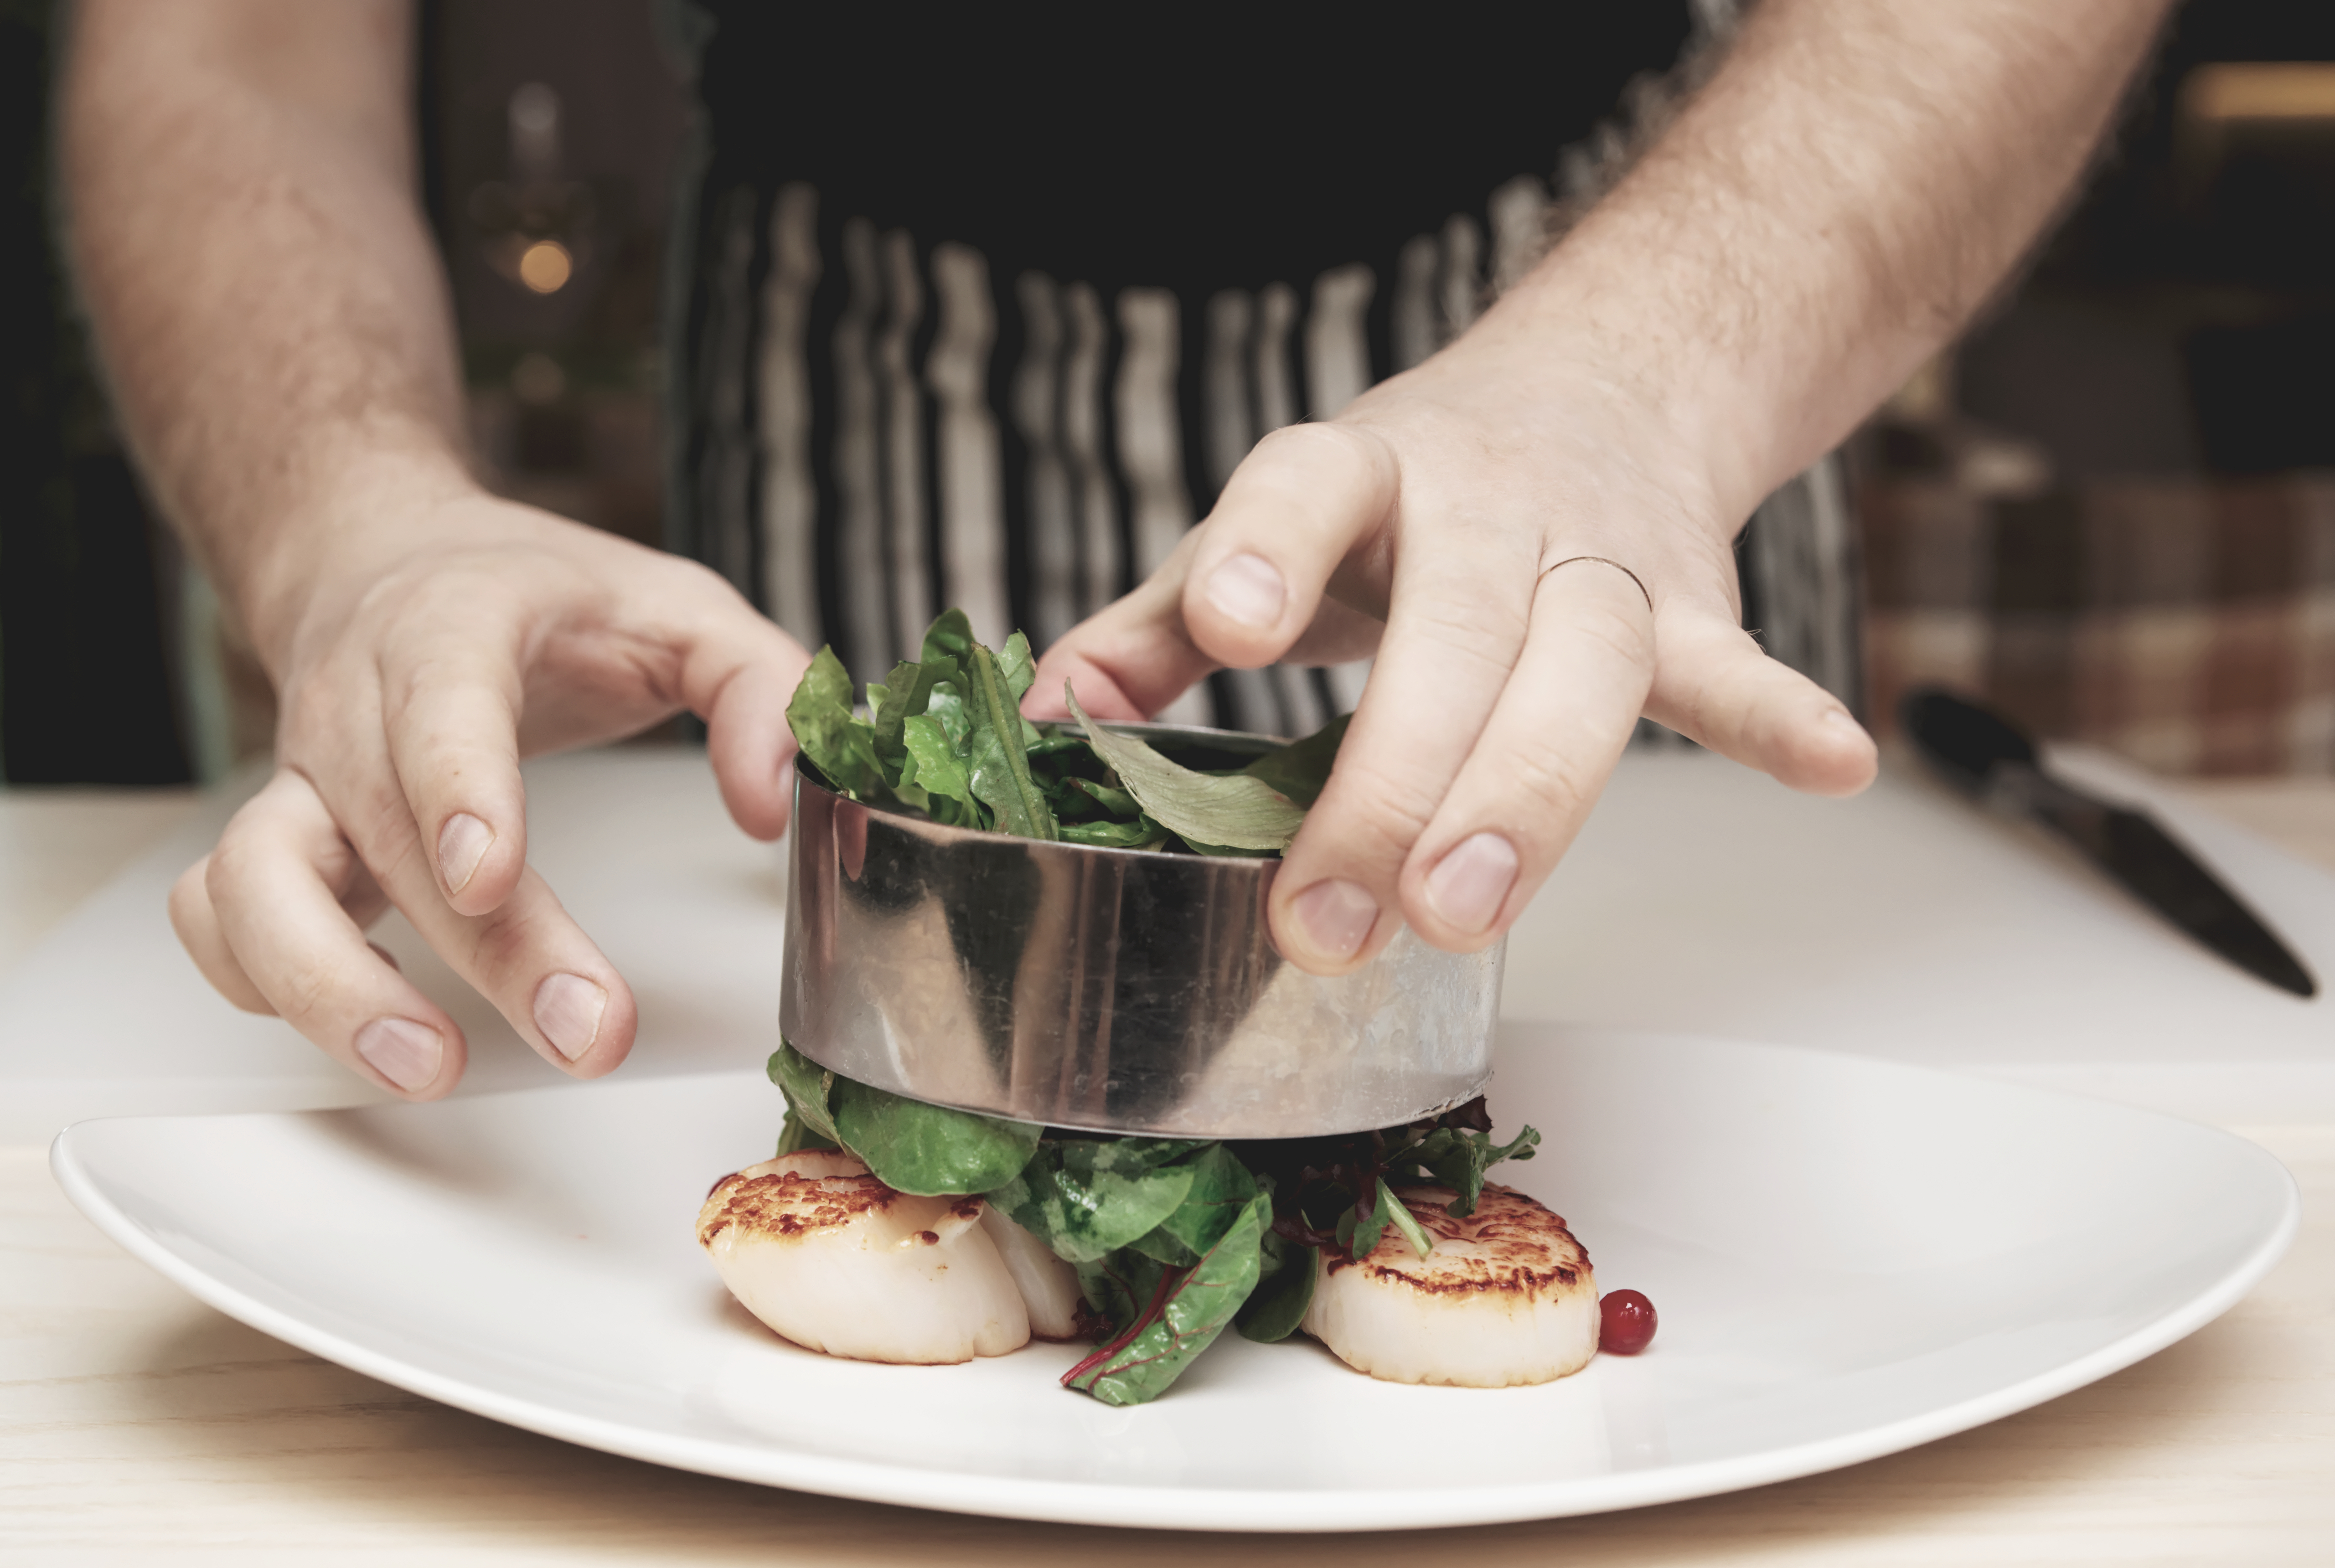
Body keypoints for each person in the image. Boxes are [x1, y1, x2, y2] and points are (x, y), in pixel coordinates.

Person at [62, 0, 2172, 1100]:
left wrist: (1645, 381)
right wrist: (350, 526)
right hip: (872, 323)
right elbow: (232, 48)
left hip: (1632, 299)